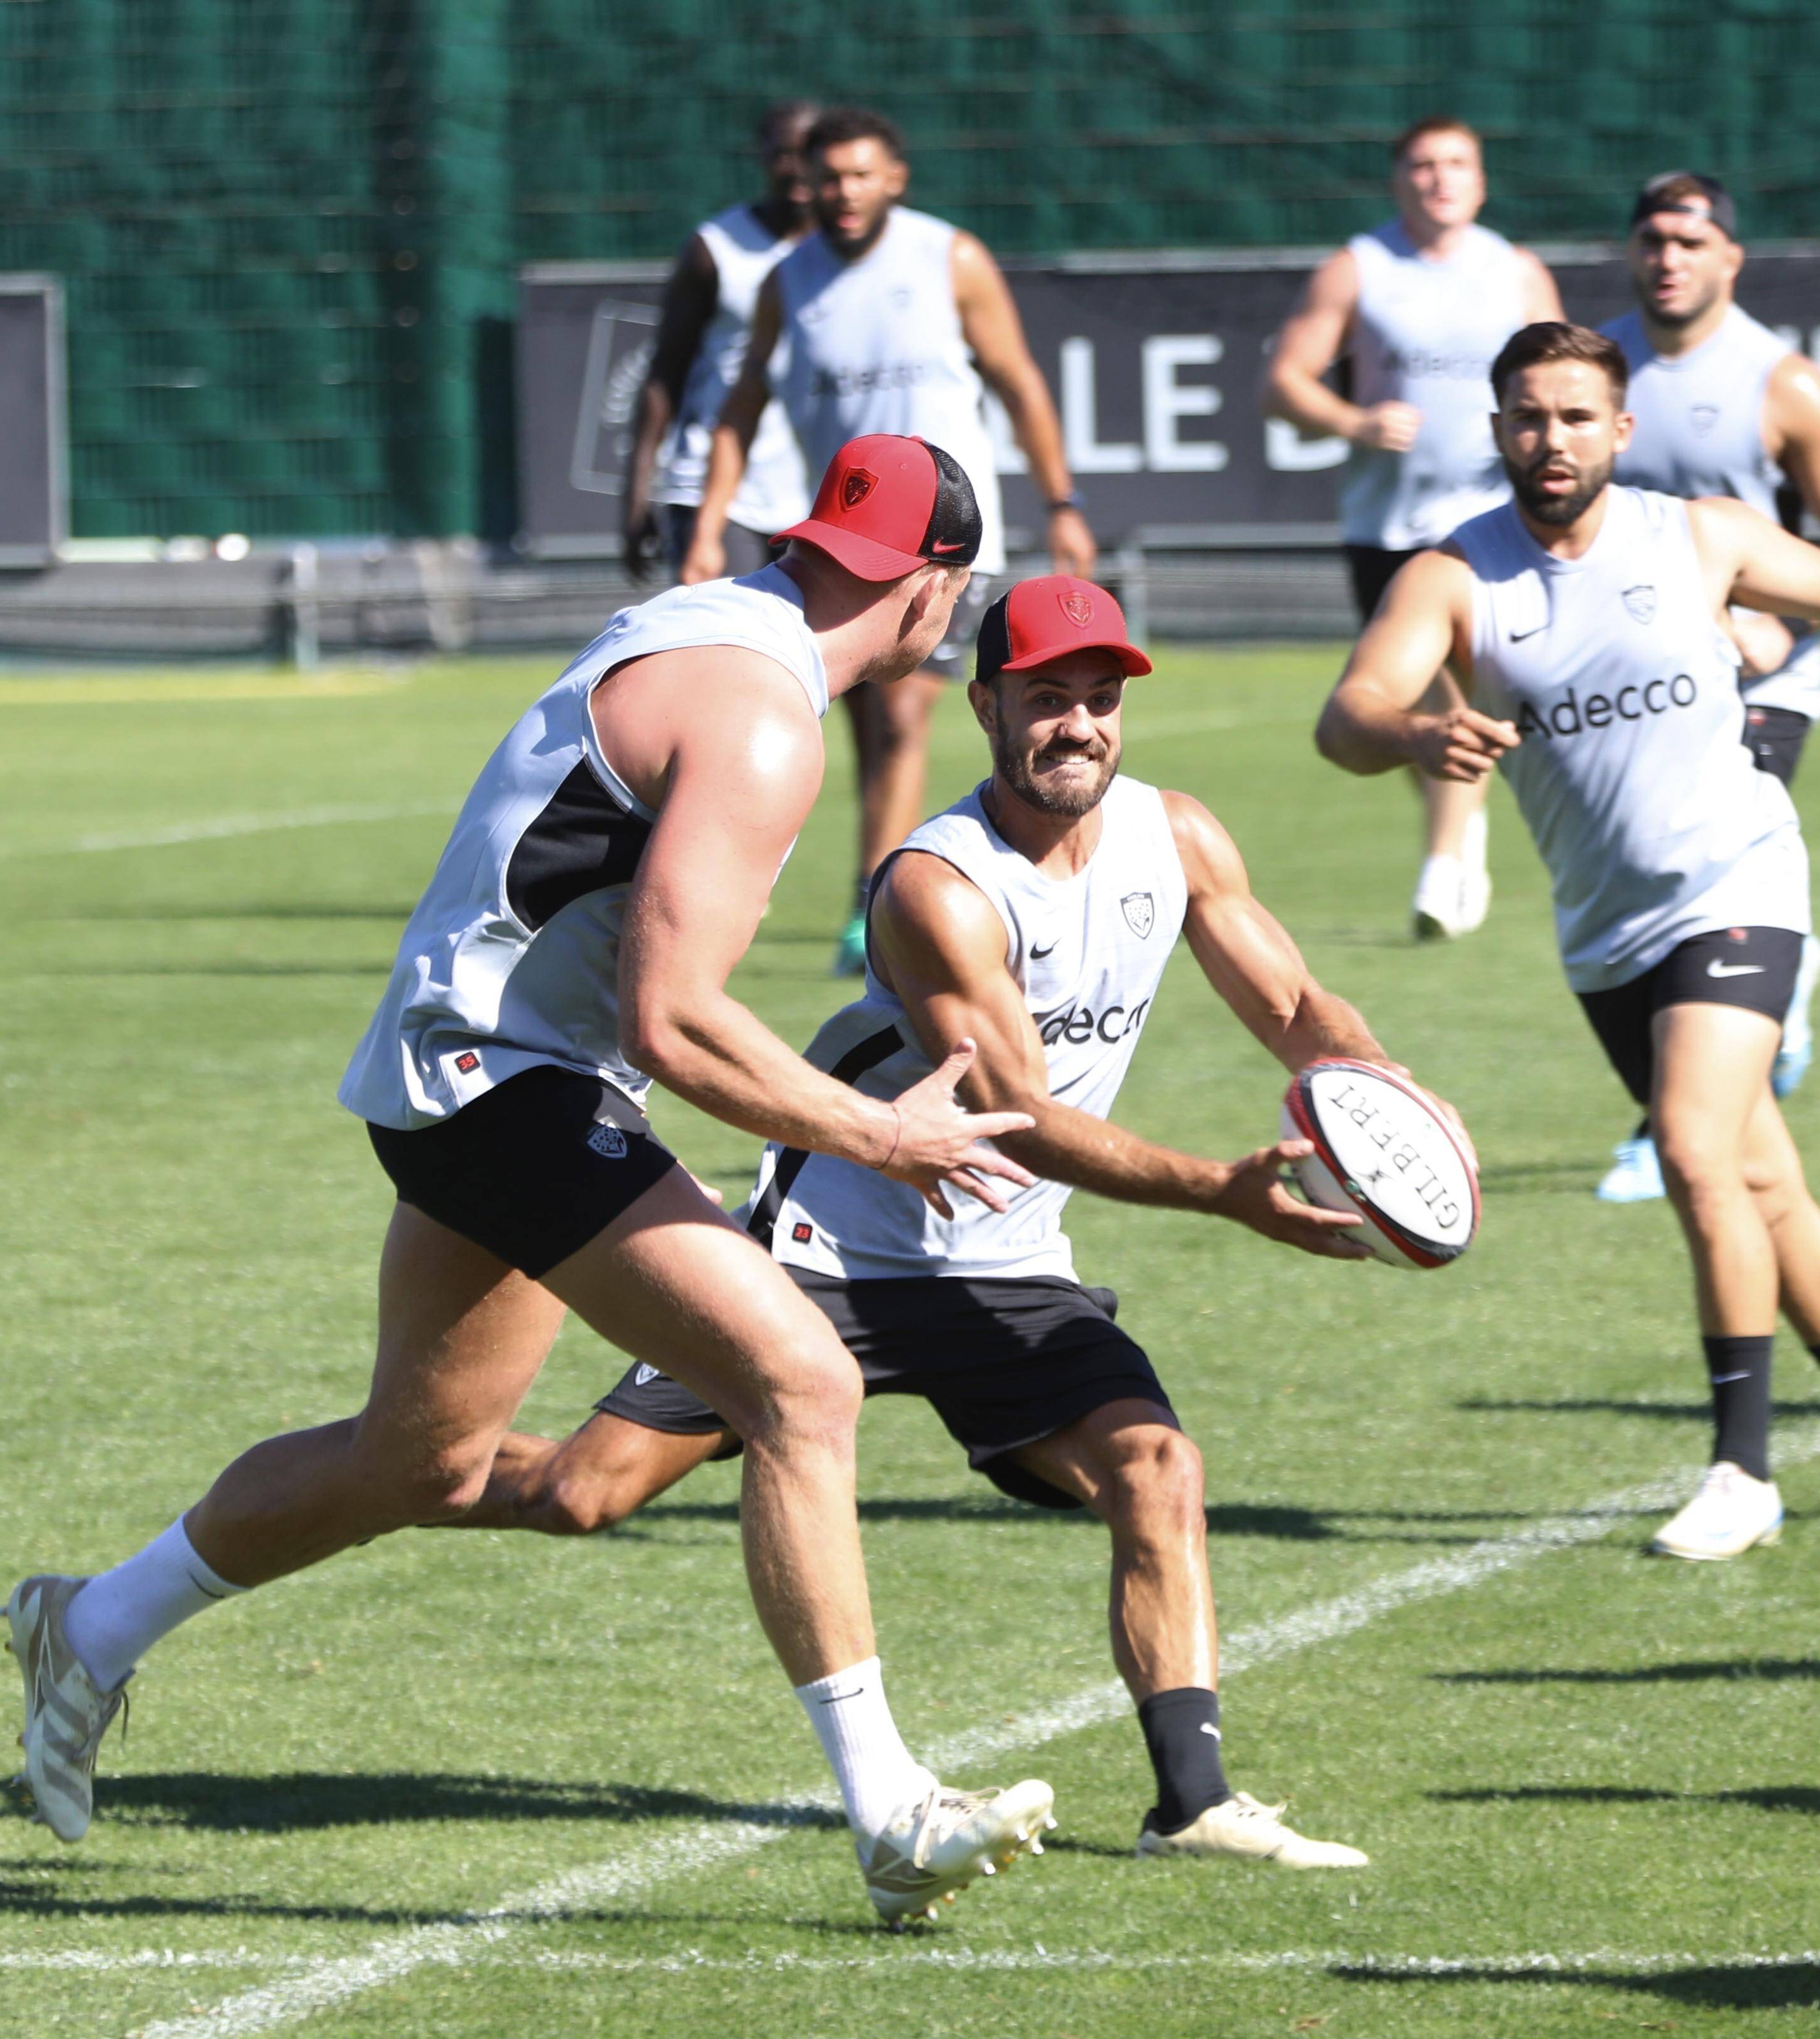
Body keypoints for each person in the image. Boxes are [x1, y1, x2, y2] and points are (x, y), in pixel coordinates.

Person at [6, 436, 1061, 1926]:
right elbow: (674, 1016)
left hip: (464, 1067)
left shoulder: (708, 623)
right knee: (802, 1384)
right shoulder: (764, 717)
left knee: (421, 1461)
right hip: (503, 1082)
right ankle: (890, 1807)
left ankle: (88, 1623)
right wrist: (874, 1129)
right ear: (935, 587)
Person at [454, 577, 1412, 1868]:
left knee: (1156, 1469)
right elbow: (1021, 1112)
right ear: (986, 706)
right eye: (1044, 697)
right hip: (835, 1251)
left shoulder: (1176, 839)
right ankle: (431, 1467)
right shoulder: (935, 884)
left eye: (1099, 697)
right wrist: (1219, 1194)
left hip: (1008, 1266)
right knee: (584, 1493)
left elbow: (1299, 1008)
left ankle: (1192, 1801)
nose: (1076, 723)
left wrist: (1384, 1096)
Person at [1317, 322, 1820, 1557]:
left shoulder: (1697, 534)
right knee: (1760, 1180)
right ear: (1497, 426)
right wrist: (1412, 737)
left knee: (1689, 1147)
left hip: (1738, 881)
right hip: (1602, 929)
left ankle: (1743, 1469)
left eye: (1575, 416)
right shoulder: (1454, 575)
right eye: (1527, 415)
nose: (1549, 438)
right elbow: (1347, 713)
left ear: (1620, 429)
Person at [685, 105, 1099, 976]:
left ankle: (877, 895)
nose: (843, 193)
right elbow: (740, 410)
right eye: (829, 177)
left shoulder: (949, 258)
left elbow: (1019, 382)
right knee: (862, 722)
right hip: (847, 542)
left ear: (896, 178)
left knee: (907, 708)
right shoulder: (784, 280)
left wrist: (1062, 501)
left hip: (949, 538)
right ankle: (897, 886)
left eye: (861, 175)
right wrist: (706, 524)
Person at [1589, 167, 1820, 1202]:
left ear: (1731, 255)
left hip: (1761, 678)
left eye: (1690, 241)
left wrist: (1782, 614)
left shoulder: (1785, 382)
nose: (1669, 258)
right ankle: (1780, 978)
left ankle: (1662, 1127)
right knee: (1636, 878)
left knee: (1698, 876)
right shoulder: (1596, 371)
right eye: (1653, 240)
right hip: (1629, 681)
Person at [1263, 116, 1564, 942]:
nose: (1441, 179)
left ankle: (1439, 870)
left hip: (1485, 518)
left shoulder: (1516, 272)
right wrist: (1353, 421)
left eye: (1458, 164)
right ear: (1400, 180)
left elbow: (1564, 375)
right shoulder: (1359, 268)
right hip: (1383, 520)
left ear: (1482, 179)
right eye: (1424, 166)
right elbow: (1283, 382)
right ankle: (1459, 826)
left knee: (1453, 681)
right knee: (1400, 704)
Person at [622, 100, 819, 586]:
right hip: (717, 487)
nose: (795, 169)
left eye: (809, 154)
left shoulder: (853, 253)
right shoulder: (716, 248)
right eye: (782, 154)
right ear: (762, 157)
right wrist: (636, 495)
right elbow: (665, 374)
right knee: (718, 647)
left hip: (817, 489)